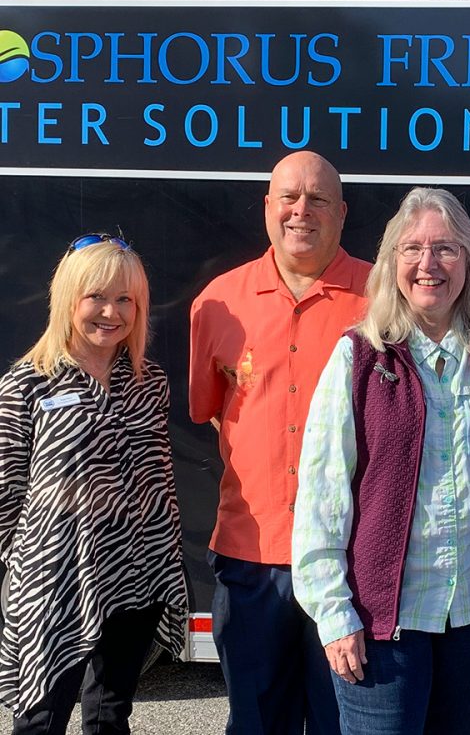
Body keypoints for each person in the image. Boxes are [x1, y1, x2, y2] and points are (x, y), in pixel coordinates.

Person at [292, 186, 470, 735]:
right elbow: (322, 493)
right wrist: (334, 614)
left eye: (446, 248)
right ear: (391, 264)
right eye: (412, 249)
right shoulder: (357, 356)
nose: (428, 264)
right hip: (383, 623)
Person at [189, 151, 370, 734]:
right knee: (256, 723)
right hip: (251, 557)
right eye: (289, 197)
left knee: (342, 722)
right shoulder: (218, 303)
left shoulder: (385, 298)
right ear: (267, 207)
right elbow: (212, 411)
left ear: (341, 212)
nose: (301, 211)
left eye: (318, 199)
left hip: (353, 562)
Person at [0, 234, 188, 734]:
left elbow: (160, 479)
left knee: (110, 714)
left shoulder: (151, 383)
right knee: (40, 718)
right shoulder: (28, 384)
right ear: (68, 298)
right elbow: (5, 494)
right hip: (59, 579)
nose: (112, 311)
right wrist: (27, 571)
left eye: (126, 299)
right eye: (97, 297)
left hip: (137, 574)